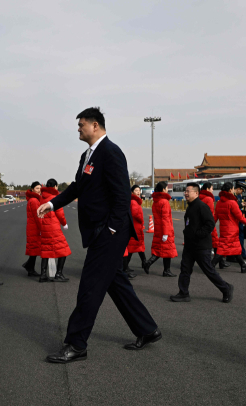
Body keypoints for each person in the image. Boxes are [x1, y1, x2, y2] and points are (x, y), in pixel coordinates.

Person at [37, 107, 160, 363]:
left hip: (109, 231)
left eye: (81, 124)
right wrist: (52, 204)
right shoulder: (87, 155)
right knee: (116, 282)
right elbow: (76, 187)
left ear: (95, 125)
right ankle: (147, 329)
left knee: (90, 287)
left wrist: (113, 229)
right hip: (100, 229)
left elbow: (122, 195)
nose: (78, 129)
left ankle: (76, 344)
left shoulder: (111, 152)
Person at [170, 183, 234, 303]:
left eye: (188, 191)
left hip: (201, 246)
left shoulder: (201, 206)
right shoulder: (190, 206)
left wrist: (198, 234)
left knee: (208, 270)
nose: (185, 193)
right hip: (190, 245)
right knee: (185, 269)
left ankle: (226, 288)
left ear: (196, 193)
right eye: (185, 191)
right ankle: (183, 293)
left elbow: (210, 224)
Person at [212, 183, 246, 273]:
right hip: (232, 229)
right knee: (222, 249)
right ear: (230, 190)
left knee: (235, 247)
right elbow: (240, 217)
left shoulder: (219, 202)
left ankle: (243, 265)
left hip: (224, 229)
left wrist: (210, 226)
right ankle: (211, 266)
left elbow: (215, 217)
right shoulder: (232, 202)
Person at [39, 179, 72, 282]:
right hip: (54, 228)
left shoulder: (42, 198)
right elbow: (60, 213)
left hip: (45, 227)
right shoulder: (55, 198)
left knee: (46, 250)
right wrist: (64, 224)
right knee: (63, 250)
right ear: (55, 187)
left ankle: (43, 274)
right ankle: (59, 273)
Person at [143, 181, 177, 276]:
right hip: (165, 229)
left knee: (162, 249)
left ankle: (165, 270)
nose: (167, 190)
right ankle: (155, 266)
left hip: (159, 228)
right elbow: (165, 218)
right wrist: (166, 233)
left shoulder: (156, 201)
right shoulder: (164, 202)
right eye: (166, 188)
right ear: (163, 189)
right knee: (166, 249)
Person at [199, 182, 229, 269]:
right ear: (208, 189)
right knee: (216, 243)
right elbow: (211, 213)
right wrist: (211, 225)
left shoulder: (200, 198)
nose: (212, 190)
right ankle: (214, 263)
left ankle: (221, 262)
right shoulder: (208, 199)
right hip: (208, 224)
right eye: (212, 188)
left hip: (201, 224)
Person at [123, 185, 147, 277]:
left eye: (139, 190)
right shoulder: (134, 201)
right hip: (135, 227)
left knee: (134, 247)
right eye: (136, 190)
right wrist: (141, 219)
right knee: (132, 248)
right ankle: (125, 268)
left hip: (137, 227)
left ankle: (127, 267)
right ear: (132, 192)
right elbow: (134, 213)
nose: (138, 192)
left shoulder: (135, 201)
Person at [22, 181, 43, 277]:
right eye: (37, 188)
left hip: (32, 227)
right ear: (32, 189)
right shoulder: (34, 200)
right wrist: (42, 228)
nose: (39, 190)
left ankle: (29, 267)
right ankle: (29, 267)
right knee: (34, 249)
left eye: (40, 188)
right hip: (34, 228)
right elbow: (37, 216)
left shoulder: (33, 199)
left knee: (34, 249)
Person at [233, 182, 246, 259]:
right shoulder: (234, 196)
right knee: (238, 237)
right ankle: (239, 254)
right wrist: (240, 205)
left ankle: (241, 254)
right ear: (238, 189)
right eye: (242, 190)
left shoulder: (238, 196)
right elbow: (234, 206)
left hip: (239, 218)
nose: (242, 192)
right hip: (236, 219)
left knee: (241, 237)